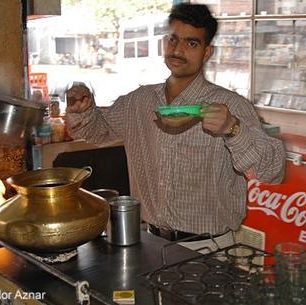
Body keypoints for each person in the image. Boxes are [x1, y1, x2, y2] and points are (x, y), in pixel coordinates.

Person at [65, 3, 285, 252]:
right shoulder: (139, 102)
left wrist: (233, 129)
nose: (178, 50)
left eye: (191, 43)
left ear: (207, 52)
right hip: (150, 243)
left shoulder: (230, 106)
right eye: (173, 39)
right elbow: (98, 131)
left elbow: (272, 171)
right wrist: (83, 111)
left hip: (209, 249)